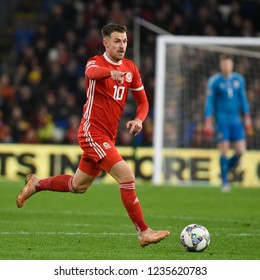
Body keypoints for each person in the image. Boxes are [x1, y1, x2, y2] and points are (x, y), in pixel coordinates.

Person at [16, 23, 170, 247]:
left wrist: (139, 119)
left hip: (108, 135)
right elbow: (91, 73)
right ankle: (144, 232)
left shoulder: (131, 68)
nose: (122, 45)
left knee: (79, 185)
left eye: (125, 41)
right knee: (127, 176)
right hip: (92, 132)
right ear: (105, 43)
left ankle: (37, 184)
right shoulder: (96, 62)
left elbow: (143, 102)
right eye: (117, 41)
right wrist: (111, 72)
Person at [204, 54, 253, 192]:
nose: (226, 66)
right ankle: (225, 182)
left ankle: (225, 170)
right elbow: (209, 102)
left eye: (228, 64)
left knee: (241, 150)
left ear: (232, 65)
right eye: (224, 64)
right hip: (222, 120)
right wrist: (208, 120)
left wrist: (247, 116)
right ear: (221, 65)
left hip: (236, 120)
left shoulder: (239, 79)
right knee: (224, 148)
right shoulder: (215, 81)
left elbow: (243, 99)